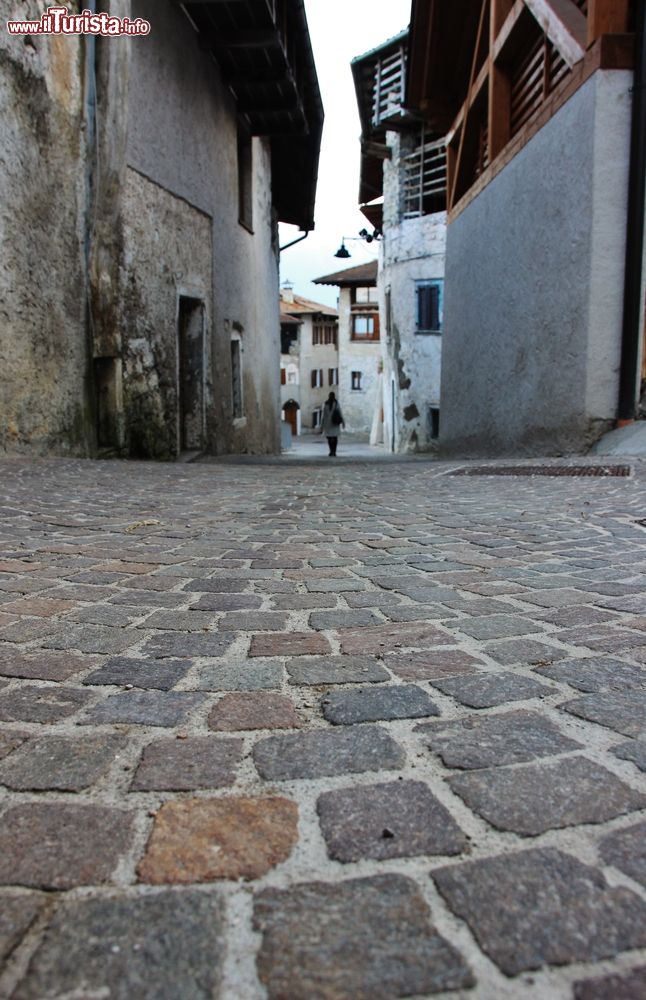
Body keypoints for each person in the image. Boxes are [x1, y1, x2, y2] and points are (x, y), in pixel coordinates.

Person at [320, 392, 345, 456]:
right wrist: (343, 422)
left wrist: (321, 425)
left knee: (330, 438)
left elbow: (323, 415)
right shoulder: (336, 403)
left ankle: (331, 451)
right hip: (334, 423)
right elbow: (340, 412)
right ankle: (333, 451)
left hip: (329, 424)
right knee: (334, 438)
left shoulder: (326, 404)